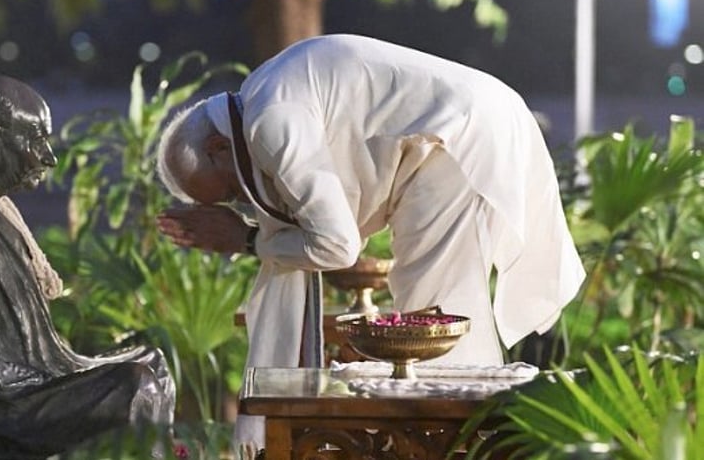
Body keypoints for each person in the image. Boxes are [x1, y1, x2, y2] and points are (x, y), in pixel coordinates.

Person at [154, 34, 586, 448]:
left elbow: (338, 246)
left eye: (230, 192)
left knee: (434, 318)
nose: (244, 202)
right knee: (431, 319)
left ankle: (462, 445)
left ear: (216, 146)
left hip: (455, 137)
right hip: (447, 136)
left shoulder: (269, 120)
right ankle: (456, 443)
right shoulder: (260, 97)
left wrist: (248, 241)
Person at [0, 74, 175, 459]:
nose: (49, 157)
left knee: (151, 362)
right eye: (37, 140)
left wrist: (68, 374)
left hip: (14, 388)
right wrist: (70, 382)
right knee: (134, 387)